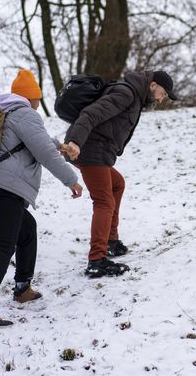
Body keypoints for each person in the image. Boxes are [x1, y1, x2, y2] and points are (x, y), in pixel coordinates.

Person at [0, 69, 83, 330]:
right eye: (37, 99)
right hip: (5, 188)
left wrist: (57, 144)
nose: (38, 104)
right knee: (4, 243)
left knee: (26, 229)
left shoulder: (1, 114)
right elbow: (43, 152)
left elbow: (32, 142)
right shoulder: (26, 114)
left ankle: (22, 287)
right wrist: (71, 180)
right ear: (32, 98)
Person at [62, 70, 176, 278]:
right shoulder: (126, 93)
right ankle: (96, 260)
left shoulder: (133, 96)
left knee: (117, 184)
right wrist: (75, 142)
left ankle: (110, 241)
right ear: (152, 86)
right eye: (163, 94)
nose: (161, 99)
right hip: (89, 149)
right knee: (104, 202)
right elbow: (91, 114)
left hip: (96, 151)